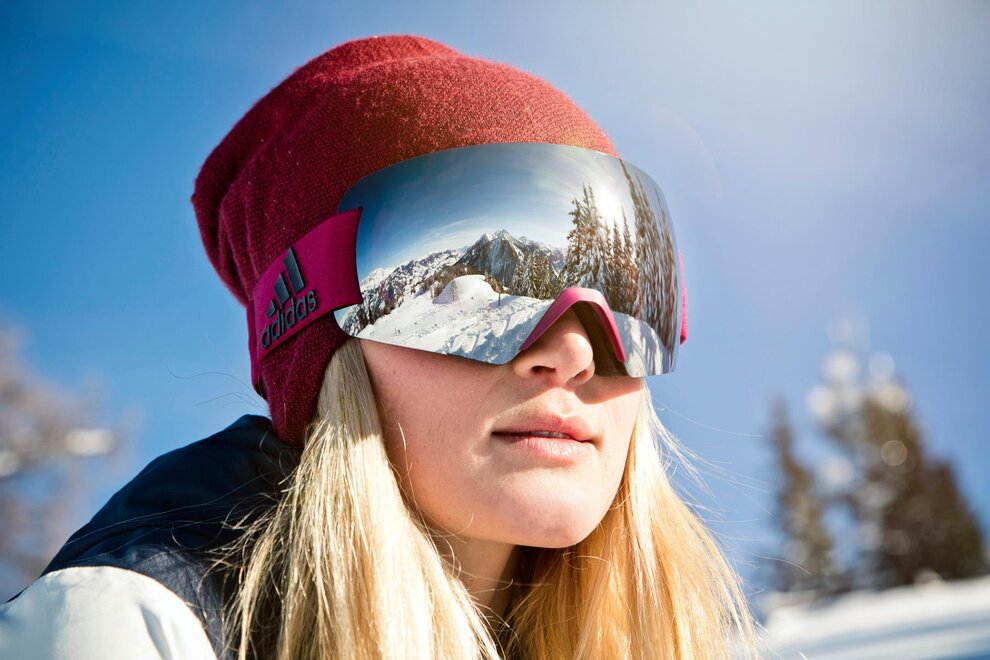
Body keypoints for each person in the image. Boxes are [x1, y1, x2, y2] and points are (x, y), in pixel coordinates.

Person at [0, 34, 761, 659]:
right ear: (312, 329)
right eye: (475, 287)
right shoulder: (122, 630)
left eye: (622, 298)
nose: (573, 354)